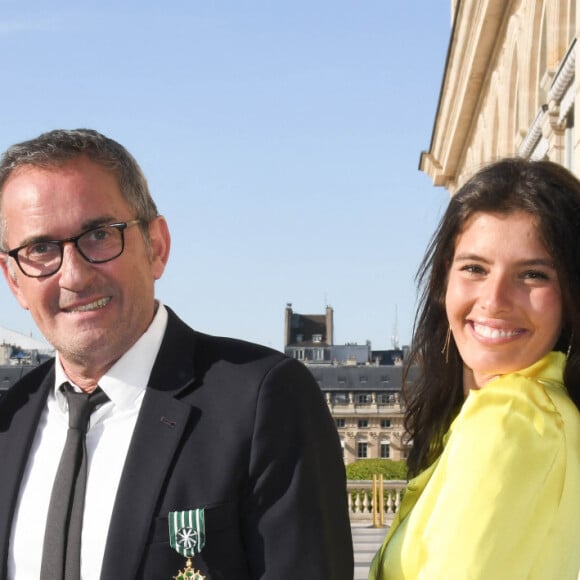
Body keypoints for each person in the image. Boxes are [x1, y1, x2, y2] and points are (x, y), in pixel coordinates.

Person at [0, 128, 353, 580]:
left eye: (99, 235)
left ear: (157, 247)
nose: (74, 275)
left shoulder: (264, 401)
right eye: (41, 249)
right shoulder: (9, 419)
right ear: (15, 282)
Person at [369, 158, 580, 579]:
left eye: (533, 274)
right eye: (474, 268)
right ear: (442, 281)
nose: (495, 299)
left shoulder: (513, 418)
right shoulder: (547, 413)